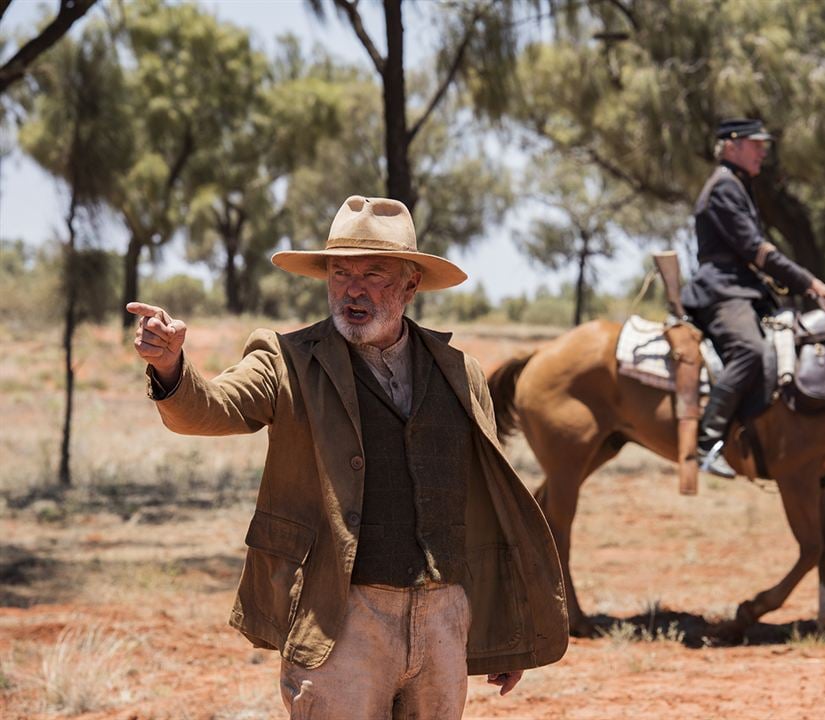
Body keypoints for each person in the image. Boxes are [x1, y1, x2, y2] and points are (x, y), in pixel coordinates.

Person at [128, 195, 568, 719]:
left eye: (374, 274)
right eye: (340, 274)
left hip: (444, 616)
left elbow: (483, 505)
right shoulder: (286, 359)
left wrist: (501, 628)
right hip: (342, 614)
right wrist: (172, 367)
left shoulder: (460, 371)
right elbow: (213, 408)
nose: (353, 290)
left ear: (410, 285)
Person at [681, 119, 825, 478]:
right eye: (755, 144)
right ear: (731, 146)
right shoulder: (724, 187)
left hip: (742, 287)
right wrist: (806, 281)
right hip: (722, 290)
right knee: (749, 350)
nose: (763, 151)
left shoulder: (738, 185)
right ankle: (707, 441)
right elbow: (753, 248)